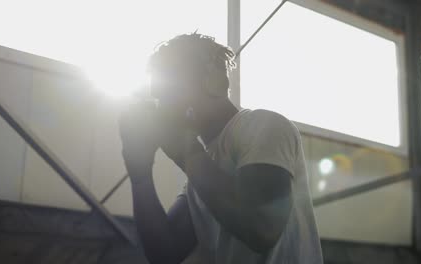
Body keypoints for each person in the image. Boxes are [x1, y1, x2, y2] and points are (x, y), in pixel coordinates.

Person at [118, 33, 323, 264]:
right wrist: (139, 171)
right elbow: (164, 254)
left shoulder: (264, 126)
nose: (164, 107)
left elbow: (261, 227)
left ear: (215, 80)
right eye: (160, 98)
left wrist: (186, 153)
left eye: (171, 91)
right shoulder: (200, 173)